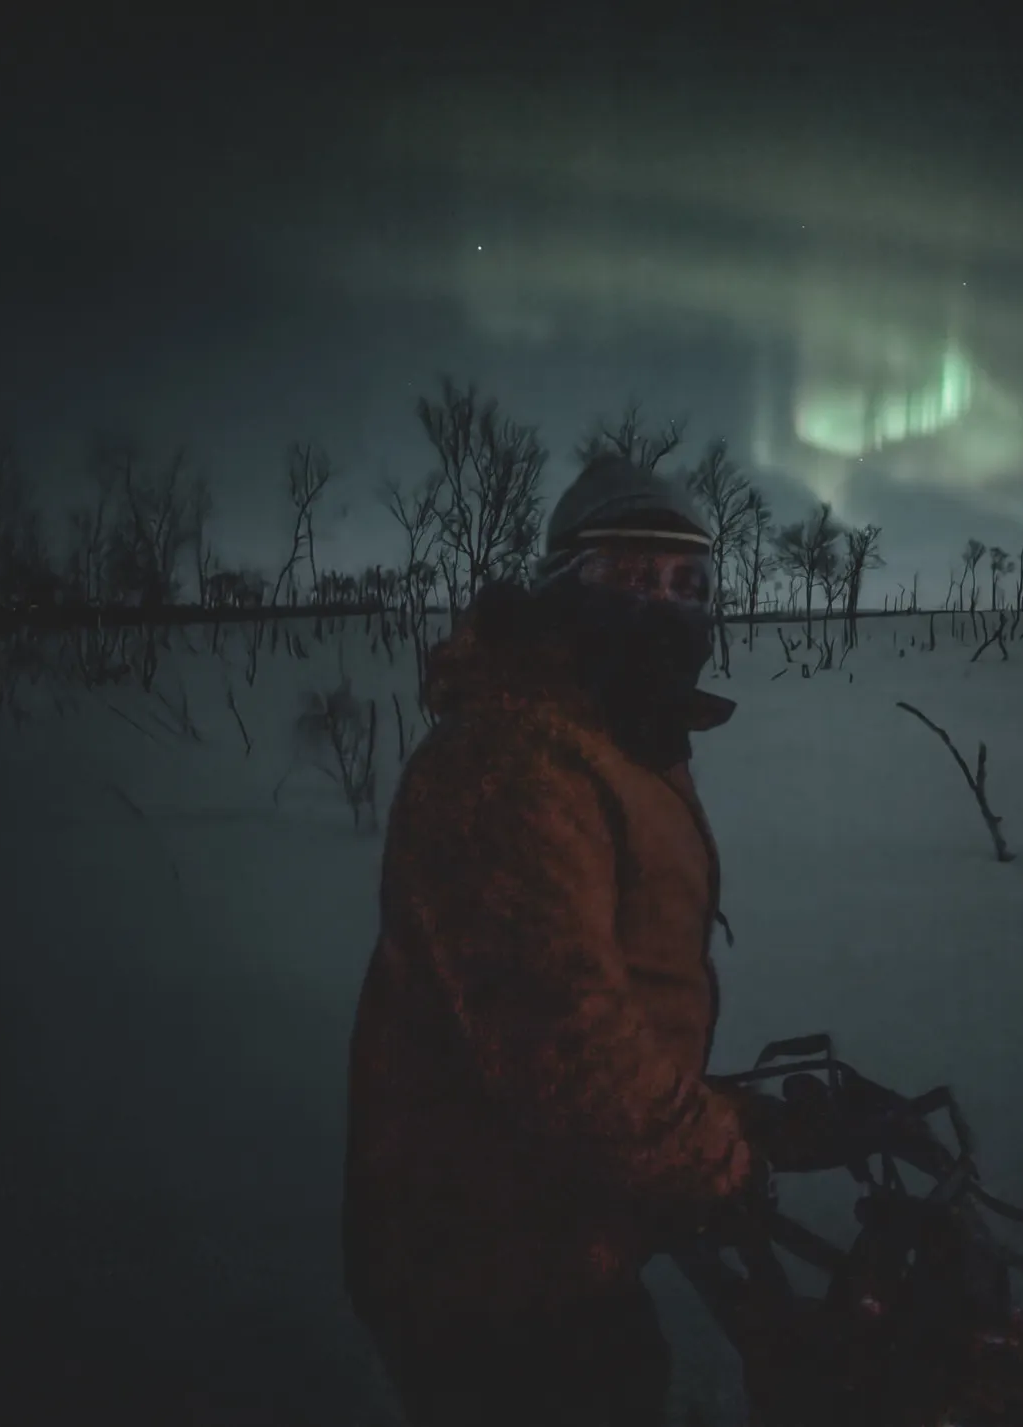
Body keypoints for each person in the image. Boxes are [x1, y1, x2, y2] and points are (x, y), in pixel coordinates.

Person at [343, 453, 761, 1426]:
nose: (659, 602)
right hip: (479, 1256)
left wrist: (717, 1113)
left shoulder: (617, 734)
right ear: (558, 589)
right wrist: (720, 1158)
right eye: (627, 574)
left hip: (567, 1223)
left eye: (683, 582)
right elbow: (564, 1044)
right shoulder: (510, 760)